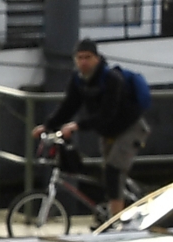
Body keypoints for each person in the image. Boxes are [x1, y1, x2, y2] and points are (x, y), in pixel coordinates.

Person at [40, 37, 149, 210]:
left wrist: (77, 125)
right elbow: (69, 106)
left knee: (113, 171)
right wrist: (47, 125)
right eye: (80, 58)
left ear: (97, 58)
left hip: (130, 128)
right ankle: (119, 205)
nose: (83, 62)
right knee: (110, 176)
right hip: (108, 132)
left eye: (88, 57)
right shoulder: (78, 80)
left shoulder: (112, 79)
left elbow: (107, 113)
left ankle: (116, 221)